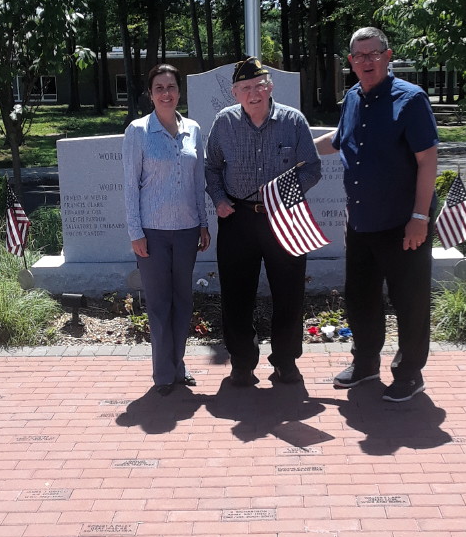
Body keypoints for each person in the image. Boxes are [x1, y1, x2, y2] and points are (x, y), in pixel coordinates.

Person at [315, 26, 438, 402]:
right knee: (361, 298)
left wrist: (420, 218)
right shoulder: (353, 97)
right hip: (362, 223)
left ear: (388, 55)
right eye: (359, 56)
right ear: (350, 62)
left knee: (410, 302)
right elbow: (339, 140)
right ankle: (366, 363)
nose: (367, 61)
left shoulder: (411, 99)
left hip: (403, 224)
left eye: (374, 53)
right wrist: (292, 147)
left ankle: (409, 373)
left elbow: (428, 161)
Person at [205, 56, 321, 386]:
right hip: (238, 219)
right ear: (234, 93)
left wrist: (282, 193)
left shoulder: (293, 121)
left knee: (289, 293)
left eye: (258, 86)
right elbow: (211, 167)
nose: (253, 93)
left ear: (269, 87)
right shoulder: (224, 123)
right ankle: (242, 362)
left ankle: (285, 361)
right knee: (236, 294)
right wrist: (219, 199)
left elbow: (311, 168)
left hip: (284, 217)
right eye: (244, 88)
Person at [123, 63, 210, 395]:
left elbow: (197, 181)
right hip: (153, 234)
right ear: (150, 93)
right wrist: (135, 233)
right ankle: (163, 375)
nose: (166, 93)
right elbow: (131, 186)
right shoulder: (138, 131)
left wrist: (203, 223)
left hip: (187, 230)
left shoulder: (194, 129)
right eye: (159, 87)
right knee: (159, 305)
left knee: (183, 302)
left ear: (178, 92)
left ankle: (178, 365)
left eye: (171, 87)